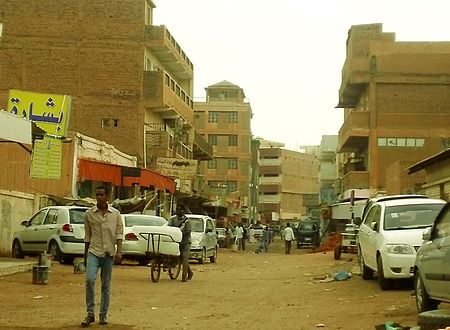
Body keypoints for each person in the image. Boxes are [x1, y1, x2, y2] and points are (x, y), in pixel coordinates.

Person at [81, 185, 123, 327]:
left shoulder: (115, 214)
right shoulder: (89, 214)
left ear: (107, 196)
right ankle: (90, 313)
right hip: (94, 251)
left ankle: (103, 314)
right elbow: (87, 236)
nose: (99, 197)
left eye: (101, 195)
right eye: (97, 195)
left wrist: (119, 251)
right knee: (89, 280)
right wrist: (85, 256)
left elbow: (119, 234)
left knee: (105, 285)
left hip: (108, 253)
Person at [168, 205, 193, 282]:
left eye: (179, 210)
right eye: (177, 209)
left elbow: (188, 231)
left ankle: (184, 276)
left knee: (185, 258)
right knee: (179, 258)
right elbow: (168, 228)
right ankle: (190, 272)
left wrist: (179, 233)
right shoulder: (172, 219)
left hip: (185, 242)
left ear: (183, 211)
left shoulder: (187, 221)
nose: (177, 211)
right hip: (176, 242)